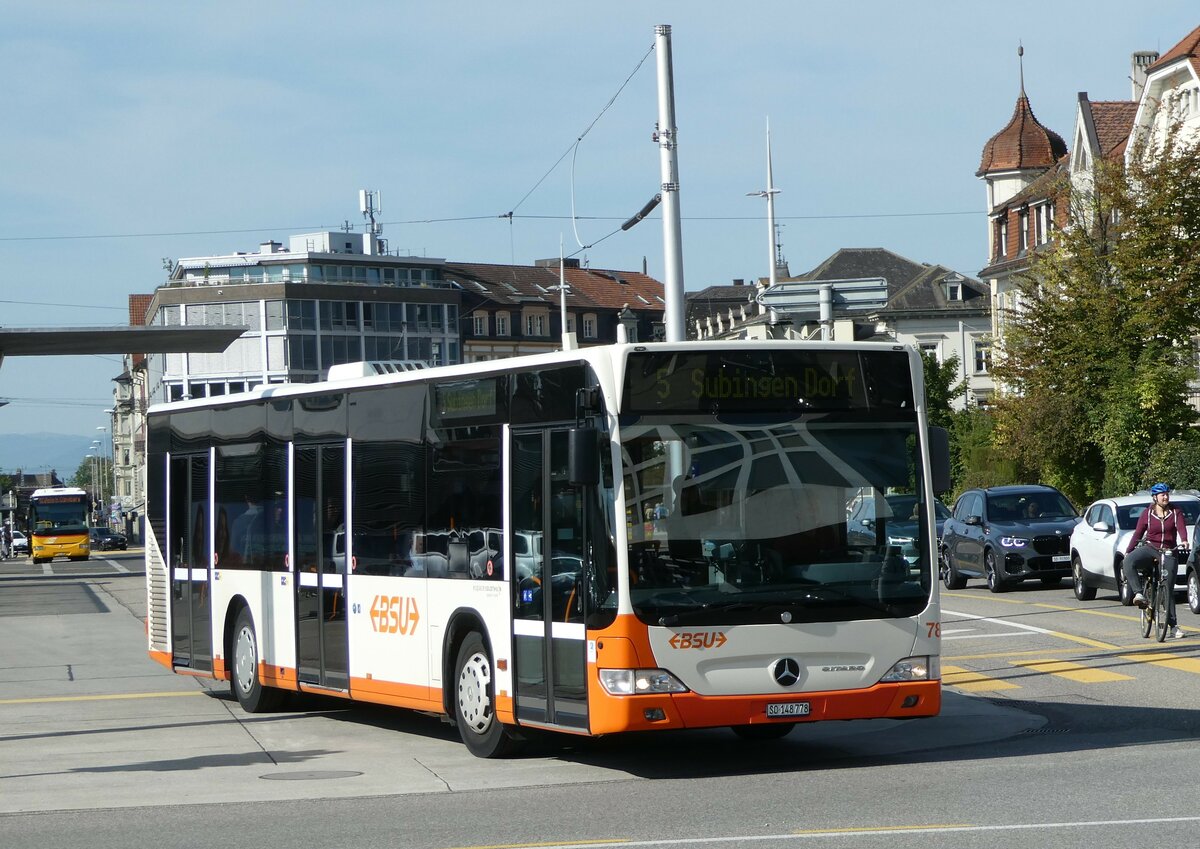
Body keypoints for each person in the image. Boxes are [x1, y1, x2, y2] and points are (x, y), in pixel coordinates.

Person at [1123, 482, 1187, 639]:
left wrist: (1184, 540)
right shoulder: (1147, 513)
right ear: (1155, 498)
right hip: (1151, 549)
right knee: (1129, 562)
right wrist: (1128, 551)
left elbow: (1181, 527)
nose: (1165, 497)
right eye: (1162, 494)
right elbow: (1138, 533)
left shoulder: (1175, 511)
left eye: (1167, 494)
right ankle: (1139, 594)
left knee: (1168, 586)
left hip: (1170, 550)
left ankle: (1173, 626)